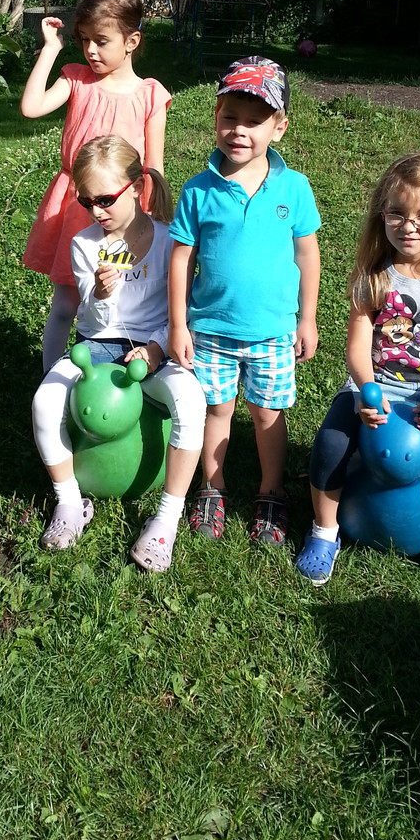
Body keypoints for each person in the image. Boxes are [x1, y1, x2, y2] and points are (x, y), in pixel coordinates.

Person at [296, 151, 420, 587]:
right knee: (329, 444)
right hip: (374, 387)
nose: (409, 226)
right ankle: (325, 531)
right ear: (381, 214)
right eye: (398, 213)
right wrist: (366, 390)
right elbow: (357, 348)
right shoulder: (373, 276)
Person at [31, 136, 205, 573]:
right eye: (86, 201)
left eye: (106, 200)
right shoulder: (85, 244)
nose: (97, 211)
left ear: (137, 187)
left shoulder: (169, 241)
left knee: (190, 400)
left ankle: (166, 519)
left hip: (156, 346)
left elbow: (181, 310)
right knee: (45, 400)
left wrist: (157, 348)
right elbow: (91, 317)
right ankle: (69, 501)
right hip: (99, 345)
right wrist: (103, 293)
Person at [168, 58, 321, 545]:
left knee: (267, 413)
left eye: (254, 121)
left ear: (279, 127)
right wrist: (178, 324)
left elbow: (307, 254)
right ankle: (212, 488)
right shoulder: (198, 190)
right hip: (211, 329)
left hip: (273, 331)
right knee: (216, 409)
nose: (239, 130)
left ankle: (271, 491)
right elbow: (181, 259)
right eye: (230, 117)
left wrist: (308, 318)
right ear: (216, 117)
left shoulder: (294, 188)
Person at [20, 0, 171, 371]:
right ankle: (52, 380)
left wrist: (155, 212)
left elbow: (154, 164)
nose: (90, 50)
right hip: (77, 204)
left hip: (124, 210)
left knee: (121, 294)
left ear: (131, 41)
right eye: (84, 40)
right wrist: (50, 49)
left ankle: (123, 364)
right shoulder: (76, 79)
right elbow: (31, 107)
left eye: (101, 41)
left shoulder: (150, 95)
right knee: (66, 303)